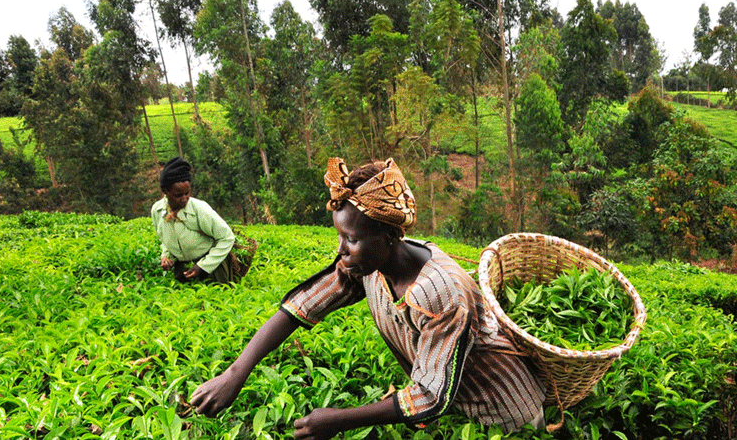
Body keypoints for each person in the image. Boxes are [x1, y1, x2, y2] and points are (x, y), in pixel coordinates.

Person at [190, 157, 546, 438]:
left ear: (389, 236)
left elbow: (430, 397)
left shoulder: (441, 293)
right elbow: (305, 304)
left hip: (504, 412)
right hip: (455, 407)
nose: (342, 251)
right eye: (340, 238)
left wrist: (338, 420)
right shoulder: (369, 266)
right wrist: (235, 374)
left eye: (351, 240)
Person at [151, 156, 236, 284]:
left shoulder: (199, 209)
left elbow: (227, 237)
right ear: (165, 191)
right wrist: (166, 256)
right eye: (178, 195)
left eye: (187, 193)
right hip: (183, 268)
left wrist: (203, 266)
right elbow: (164, 239)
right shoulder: (157, 211)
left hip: (212, 267)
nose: (184, 199)